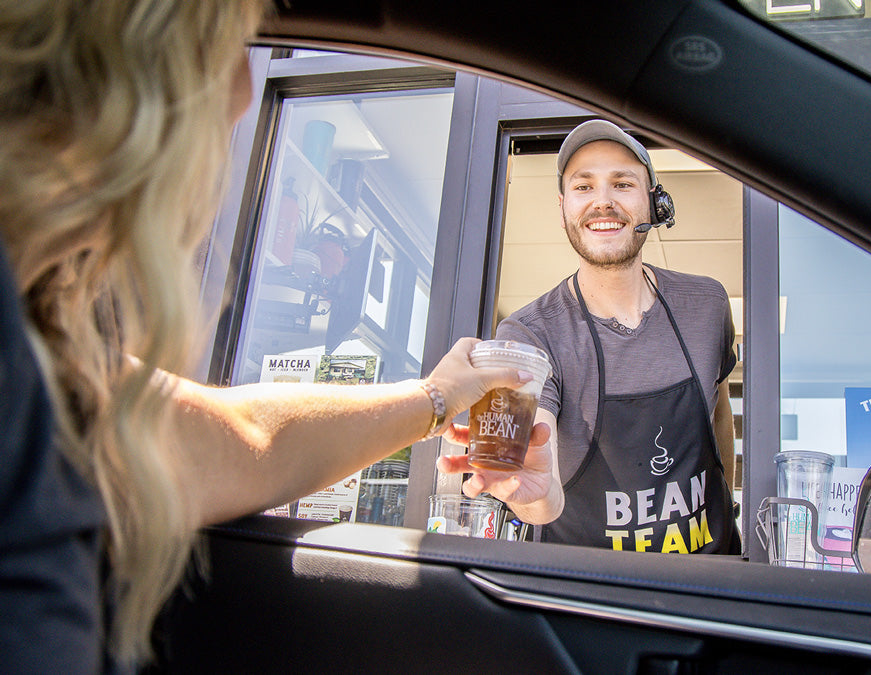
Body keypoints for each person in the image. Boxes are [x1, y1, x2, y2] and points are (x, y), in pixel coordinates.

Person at [0, 2, 537, 672]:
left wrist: (435, 397)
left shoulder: (44, 364)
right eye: (226, 45)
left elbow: (252, 439)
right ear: (115, 61)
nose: (243, 91)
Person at [438, 120, 740, 555]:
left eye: (622, 183)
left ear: (654, 204)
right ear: (563, 208)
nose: (603, 201)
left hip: (711, 587)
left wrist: (727, 504)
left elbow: (719, 414)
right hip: (592, 600)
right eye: (583, 187)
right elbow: (539, 489)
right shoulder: (531, 334)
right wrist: (534, 496)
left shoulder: (707, 304)